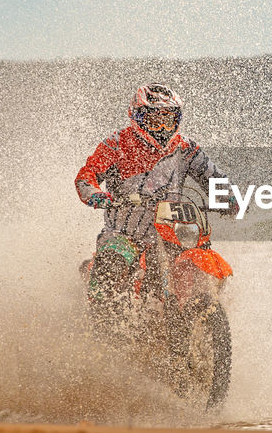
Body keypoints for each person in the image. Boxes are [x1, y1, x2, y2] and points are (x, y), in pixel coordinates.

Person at [75, 83, 233, 317]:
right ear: (138, 116)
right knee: (110, 261)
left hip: (171, 232)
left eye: (168, 119)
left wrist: (230, 197)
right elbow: (86, 177)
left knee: (200, 264)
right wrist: (97, 195)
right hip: (124, 234)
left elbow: (214, 176)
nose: (161, 127)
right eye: (154, 119)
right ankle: (102, 327)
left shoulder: (185, 147)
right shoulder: (117, 143)